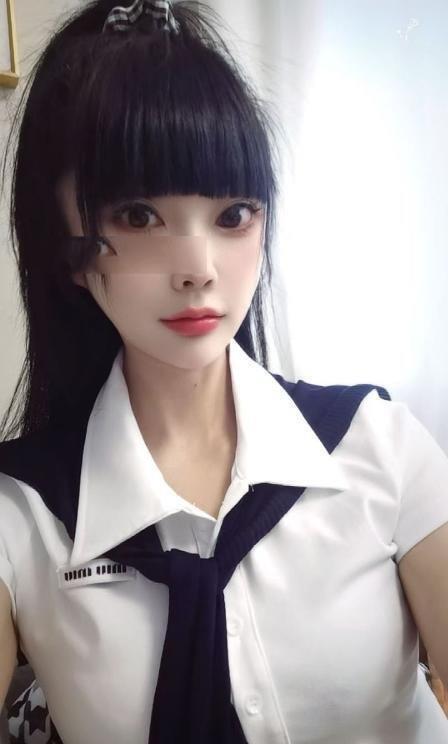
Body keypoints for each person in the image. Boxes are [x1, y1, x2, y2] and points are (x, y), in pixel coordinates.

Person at [1, 1, 448, 742]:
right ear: (66, 248)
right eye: (138, 216)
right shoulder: (23, 513)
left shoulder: (380, 445)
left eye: (234, 215)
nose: (200, 270)